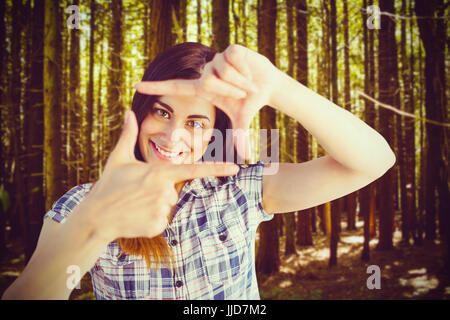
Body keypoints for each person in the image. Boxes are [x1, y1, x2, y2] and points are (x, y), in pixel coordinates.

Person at [2, 42, 395, 300]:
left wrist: (278, 87)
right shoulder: (82, 204)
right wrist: (93, 225)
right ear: (142, 112)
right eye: (162, 112)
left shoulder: (239, 188)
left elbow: (374, 161)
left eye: (195, 122)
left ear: (212, 134)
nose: (174, 134)